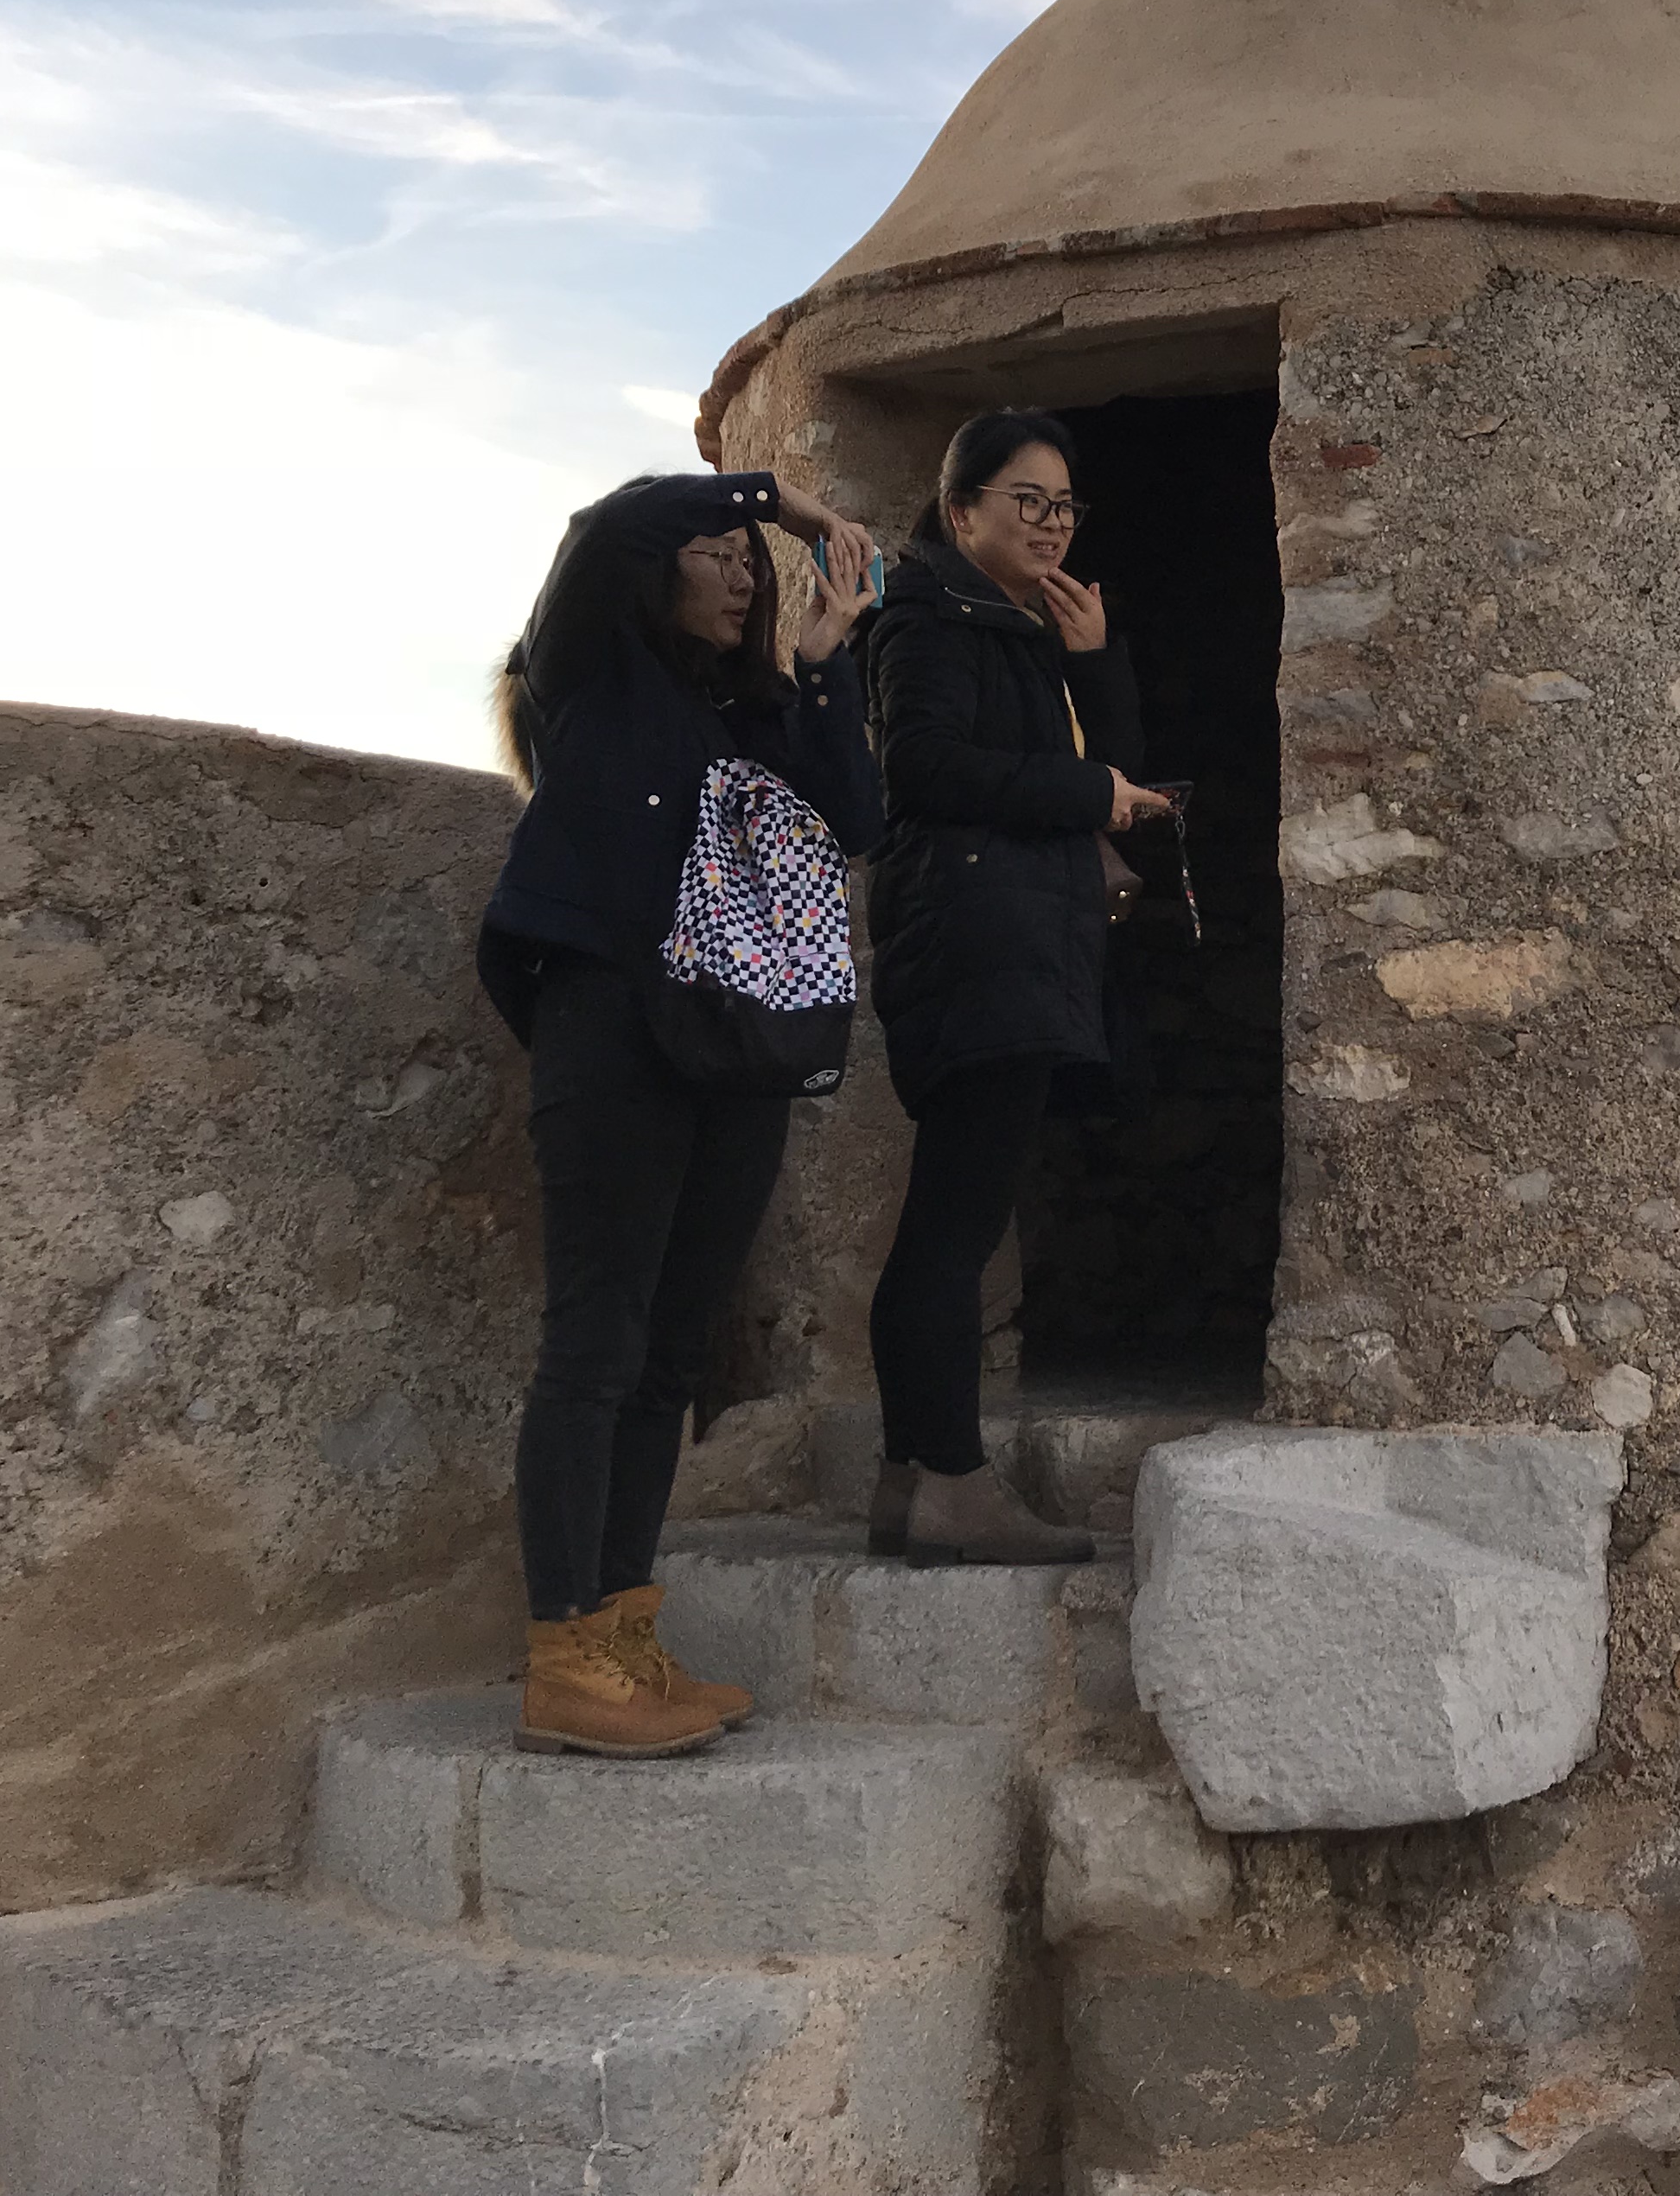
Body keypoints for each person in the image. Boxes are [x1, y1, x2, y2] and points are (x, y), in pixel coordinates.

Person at [478, 467, 887, 1758]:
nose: (742, 571)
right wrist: (791, 506)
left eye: (752, 564)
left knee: (668, 1355)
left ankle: (626, 1637)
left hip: (733, 1045)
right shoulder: (593, 678)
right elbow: (609, 529)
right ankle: (565, 1650)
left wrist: (821, 662)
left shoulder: (749, 716)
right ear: (664, 573)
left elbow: (855, 821)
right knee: (594, 1341)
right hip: (613, 1027)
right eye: (721, 552)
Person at [858, 410, 1174, 1565]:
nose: (1050, 523)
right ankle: (945, 1478)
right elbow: (922, 768)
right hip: (975, 942)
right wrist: (1087, 796)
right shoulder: (925, 614)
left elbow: (1121, 775)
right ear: (959, 512)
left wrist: (1093, 663)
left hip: (1016, 944)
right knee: (953, 1225)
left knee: (956, 1213)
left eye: (1064, 505)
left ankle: (911, 1478)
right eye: (1025, 501)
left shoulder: (1017, 629)